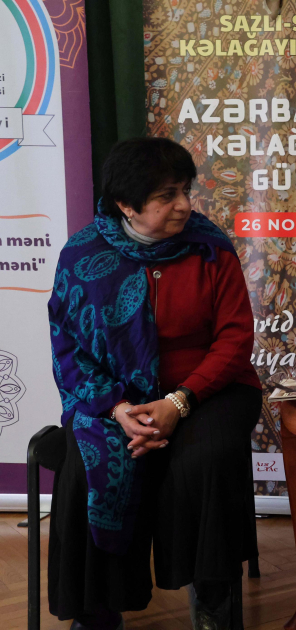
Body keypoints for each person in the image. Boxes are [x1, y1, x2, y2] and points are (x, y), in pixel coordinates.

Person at [47, 137, 263, 630]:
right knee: (88, 465)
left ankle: (213, 602)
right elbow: (68, 347)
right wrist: (118, 408)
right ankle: (97, 612)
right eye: (167, 195)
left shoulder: (210, 249)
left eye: (185, 190)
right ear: (126, 204)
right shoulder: (81, 256)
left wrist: (178, 402)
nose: (185, 204)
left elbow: (234, 339)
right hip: (116, 398)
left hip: (210, 390)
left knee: (206, 459)